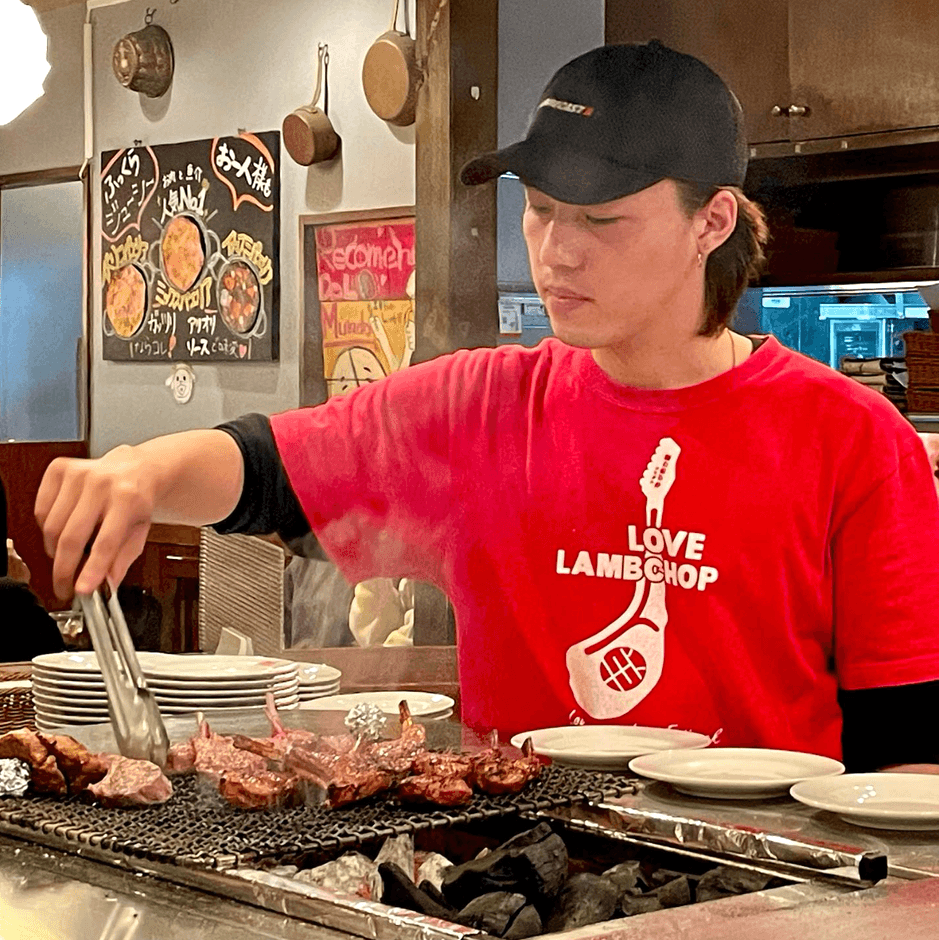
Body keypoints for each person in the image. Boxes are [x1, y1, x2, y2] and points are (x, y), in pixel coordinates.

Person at [34, 42, 939, 771]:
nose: (556, 252)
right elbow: (267, 471)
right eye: (541, 211)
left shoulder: (852, 439)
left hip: (764, 890)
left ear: (713, 222)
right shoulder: (483, 405)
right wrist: (140, 472)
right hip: (516, 879)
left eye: (601, 219)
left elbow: (908, 748)